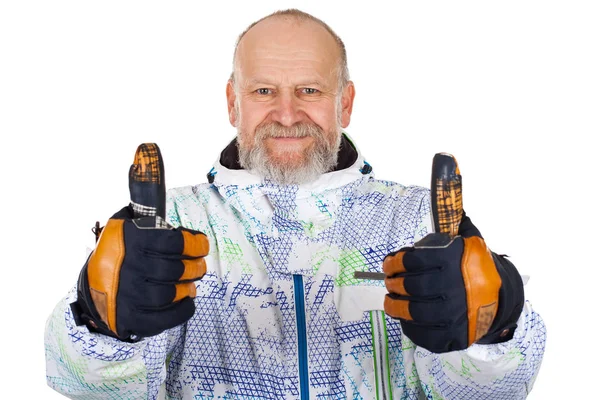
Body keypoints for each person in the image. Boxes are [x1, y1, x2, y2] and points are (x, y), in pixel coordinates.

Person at [45, 9, 546, 399]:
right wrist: (98, 321)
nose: (287, 114)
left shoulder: (420, 223)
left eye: (309, 89)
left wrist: (496, 321)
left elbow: (492, 390)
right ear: (232, 102)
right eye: (264, 90)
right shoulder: (167, 227)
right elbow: (87, 386)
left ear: (344, 103)